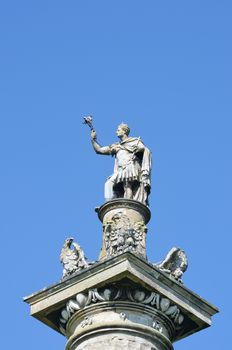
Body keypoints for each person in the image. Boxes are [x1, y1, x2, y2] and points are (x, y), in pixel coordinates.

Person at [91, 123, 152, 205]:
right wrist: (93, 140)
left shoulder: (134, 141)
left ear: (124, 131)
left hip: (130, 166)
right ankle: (108, 204)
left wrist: (137, 149)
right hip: (120, 170)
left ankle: (128, 206)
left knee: (127, 186)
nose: (116, 131)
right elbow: (99, 150)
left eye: (118, 130)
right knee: (109, 183)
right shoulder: (116, 146)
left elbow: (143, 149)